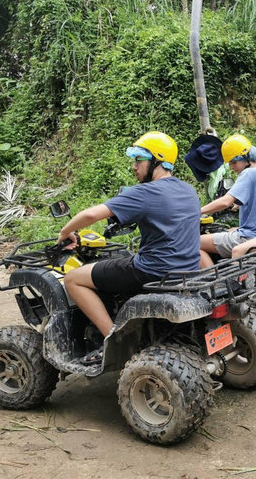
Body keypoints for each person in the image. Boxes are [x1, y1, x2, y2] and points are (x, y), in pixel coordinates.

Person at [57, 131, 201, 364]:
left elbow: (92, 214)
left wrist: (65, 233)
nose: (134, 167)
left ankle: (111, 340)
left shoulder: (145, 192)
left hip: (152, 270)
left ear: (156, 161)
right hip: (187, 269)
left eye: (138, 160)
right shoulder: (188, 190)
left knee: (73, 278)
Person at [198, 134, 256, 267]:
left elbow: (225, 201)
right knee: (225, 231)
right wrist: (236, 206)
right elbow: (248, 200)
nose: (232, 167)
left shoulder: (248, 174)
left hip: (249, 235)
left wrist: (198, 211)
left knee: (193, 243)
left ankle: (215, 281)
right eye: (229, 163)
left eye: (234, 162)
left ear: (245, 158)